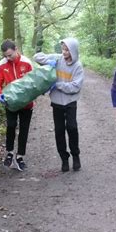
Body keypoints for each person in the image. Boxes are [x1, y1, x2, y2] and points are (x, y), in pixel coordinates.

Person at [34, 38, 84, 172]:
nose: (65, 52)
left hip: (70, 102)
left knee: (72, 128)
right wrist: (48, 61)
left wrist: (59, 85)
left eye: (67, 50)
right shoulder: (57, 58)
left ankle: (75, 156)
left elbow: (76, 86)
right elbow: (37, 57)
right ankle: (64, 159)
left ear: (73, 50)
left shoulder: (77, 66)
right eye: (63, 49)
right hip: (56, 102)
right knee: (59, 131)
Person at [0, 39, 34, 171]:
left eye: (10, 55)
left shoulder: (26, 63)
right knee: (11, 125)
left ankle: (20, 156)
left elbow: (34, 81)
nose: (8, 58)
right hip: (10, 102)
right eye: (5, 56)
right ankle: (10, 153)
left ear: (16, 49)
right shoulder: (1, 65)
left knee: (24, 129)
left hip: (26, 103)